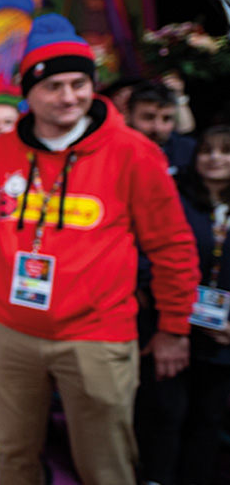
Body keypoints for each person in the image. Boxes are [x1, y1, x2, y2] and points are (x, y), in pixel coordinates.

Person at [0, 14, 199, 485]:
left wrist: (175, 325)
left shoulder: (134, 151)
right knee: (14, 457)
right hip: (11, 332)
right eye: (54, 85)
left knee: (107, 467)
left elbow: (173, 245)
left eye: (80, 83)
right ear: (28, 91)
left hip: (98, 336)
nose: (69, 97)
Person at [137, 125, 230, 485]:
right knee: (162, 413)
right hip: (171, 325)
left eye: (224, 151)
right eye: (207, 150)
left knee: (208, 418)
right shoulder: (174, 196)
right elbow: (148, 254)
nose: (215, 158)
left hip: (222, 337)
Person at [127, 80, 196, 176]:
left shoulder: (188, 152)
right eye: (148, 117)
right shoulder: (111, 152)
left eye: (166, 119)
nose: (158, 127)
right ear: (128, 116)